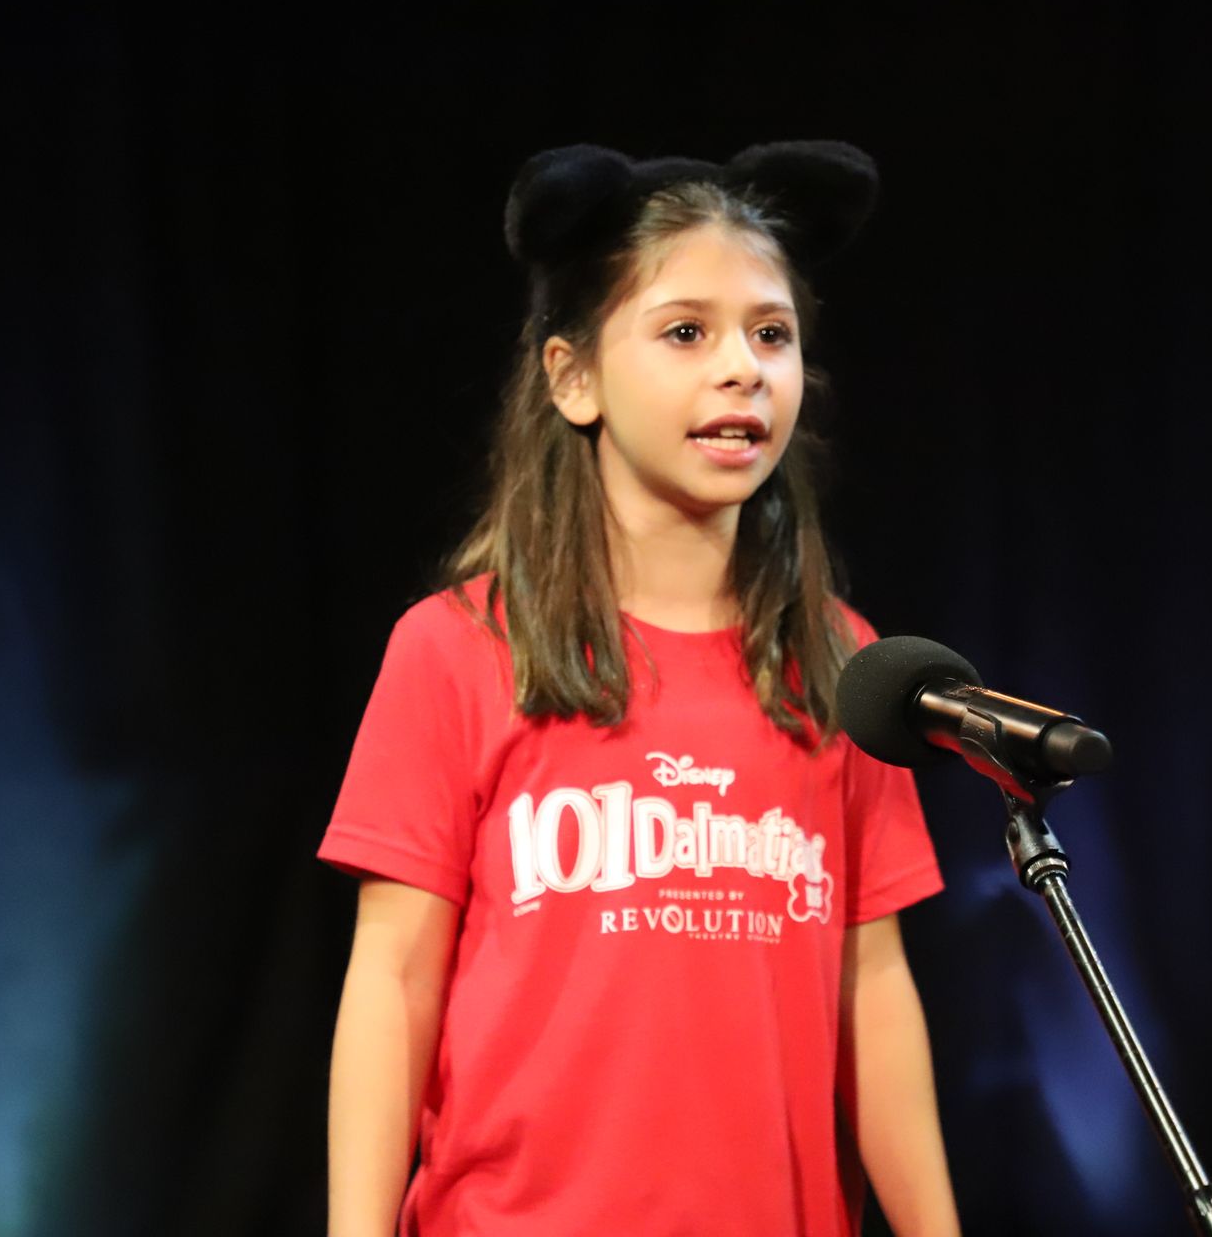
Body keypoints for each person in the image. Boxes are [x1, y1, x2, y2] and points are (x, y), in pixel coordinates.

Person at [320, 141, 960, 1237]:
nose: (742, 367)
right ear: (572, 378)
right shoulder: (459, 649)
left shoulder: (841, 662)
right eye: (686, 332)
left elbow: (874, 989)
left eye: (771, 333)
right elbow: (394, 978)